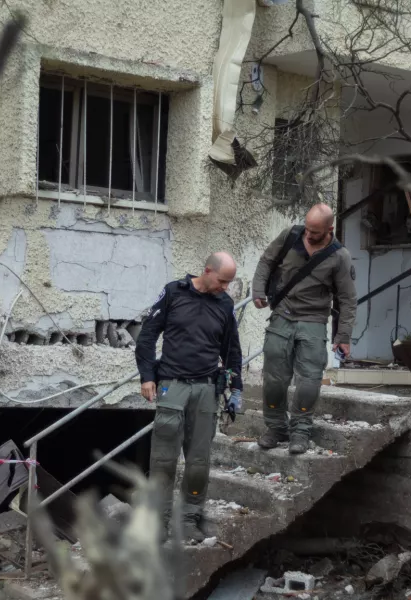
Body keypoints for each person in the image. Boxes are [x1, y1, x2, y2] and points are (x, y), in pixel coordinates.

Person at [135, 252, 244, 542]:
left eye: (229, 283)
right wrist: (147, 376)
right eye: (222, 281)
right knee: (162, 460)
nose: (225, 287)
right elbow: (146, 336)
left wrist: (236, 388)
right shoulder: (173, 293)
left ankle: (190, 520)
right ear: (207, 271)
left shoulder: (225, 304)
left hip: (207, 388)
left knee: (198, 462)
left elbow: (232, 351)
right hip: (172, 384)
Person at [251, 204, 357, 454]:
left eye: (315, 232)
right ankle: (276, 428)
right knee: (274, 379)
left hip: (313, 319)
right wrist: (258, 290)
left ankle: (300, 431)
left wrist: (343, 336)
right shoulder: (290, 236)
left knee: (309, 381)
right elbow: (266, 261)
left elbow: (347, 299)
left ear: (329, 229)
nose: (308, 235)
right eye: (307, 228)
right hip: (283, 315)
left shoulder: (340, 256)